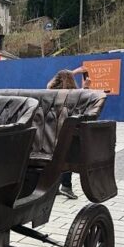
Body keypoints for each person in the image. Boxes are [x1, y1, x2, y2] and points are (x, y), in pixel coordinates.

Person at [47, 66, 91, 199]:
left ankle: (53, 187)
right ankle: (66, 186)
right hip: (68, 129)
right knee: (67, 156)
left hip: (52, 130)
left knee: (56, 157)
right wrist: (87, 87)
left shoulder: (50, 91)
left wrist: (75, 72)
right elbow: (85, 105)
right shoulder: (75, 94)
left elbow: (62, 76)